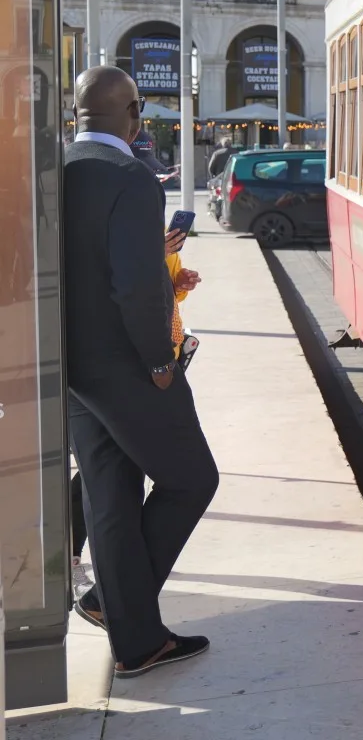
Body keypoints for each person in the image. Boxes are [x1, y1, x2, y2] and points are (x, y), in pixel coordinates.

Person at [62, 66, 217, 679]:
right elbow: (134, 285)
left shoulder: (57, 169)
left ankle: (136, 641)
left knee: (110, 495)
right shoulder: (131, 176)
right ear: (131, 114)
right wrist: (159, 359)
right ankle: (117, 608)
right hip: (128, 363)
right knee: (191, 480)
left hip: (72, 367)